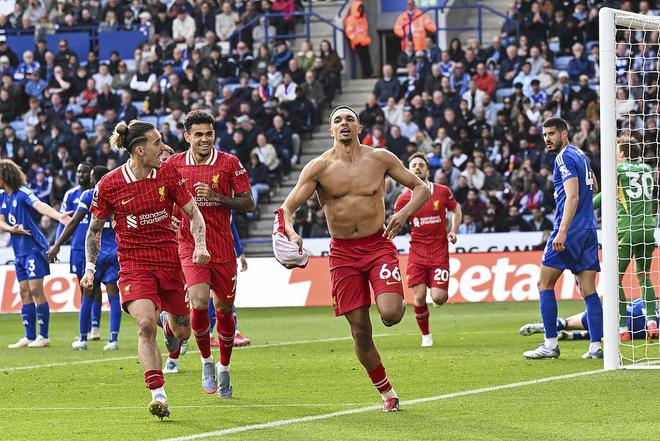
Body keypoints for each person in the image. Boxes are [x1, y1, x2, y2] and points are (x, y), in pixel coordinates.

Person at [278, 106, 431, 412]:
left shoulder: (380, 158)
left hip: (378, 245)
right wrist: (290, 232)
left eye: (350, 119)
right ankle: (387, 392)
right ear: (331, 131)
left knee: (391, 314)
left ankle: (395, 299)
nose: (344, 123)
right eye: (338, 120)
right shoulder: (318, 168)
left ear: (360, 127)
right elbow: (287, 208)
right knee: (360, 332)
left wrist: (403, 214)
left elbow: (422, 188)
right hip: (343, 254)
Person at [81, 120, 210, 419]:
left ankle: (169, 323)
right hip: (134, 265)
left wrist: (200, 245)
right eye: (157, 142)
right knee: (144, 325)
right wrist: (90, 268)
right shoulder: (109, 184)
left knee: (183, 330)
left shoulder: (168, 174)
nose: (164, 148)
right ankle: (158, 394)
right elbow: (94, 230)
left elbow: (194, 213)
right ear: (140, 150)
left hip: (169, 262)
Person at [167, 110, 254, 396]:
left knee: (225, 309)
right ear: (187, 137)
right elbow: (162, 198)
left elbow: (248, 203)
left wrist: (217, 197)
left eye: (209, 134)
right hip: (190, 245)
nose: (205, 139)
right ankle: (206, 361)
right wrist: (169, 219)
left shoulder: (229, 163)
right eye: (199, 135)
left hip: (222, 247)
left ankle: (224, 366)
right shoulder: (174, 164)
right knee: (199, 302)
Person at [523, 117, 602, 360]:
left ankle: (550, 344)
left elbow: (573, 196)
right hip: (589, 229)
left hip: (570, 230)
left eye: (552, 134)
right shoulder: (580, 154)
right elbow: (594, 185)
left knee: (544, 284)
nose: (547, 139)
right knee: (589, 290)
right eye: (545, 134)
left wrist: (563, 230)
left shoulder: (563, 157)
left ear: (564, 133)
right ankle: (596, 347)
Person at [49, 166, 122, 351]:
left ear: (94, 179)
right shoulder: (117, 194)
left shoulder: (89, 195)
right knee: (113, 296)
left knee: (87, 294)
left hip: (95, 253)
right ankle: (113, 340)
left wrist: (57, 244)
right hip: (113, 252)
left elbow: (74, 221)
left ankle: (83, 339)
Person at [394, 153, 462, 347]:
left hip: (439, 253)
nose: (417, 168)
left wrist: (453, 231)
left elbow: (456, 210)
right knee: (419, 296)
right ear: (408, 171)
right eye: (413, 165)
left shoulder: (442, 191)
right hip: (417, 254)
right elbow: (396, 221)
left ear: (428, 170)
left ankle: (437, 298)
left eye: (421, 165)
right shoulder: (404, 198)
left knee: (439, 298)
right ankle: (426, 335)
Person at [0, 160, 70, 348]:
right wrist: (12, 229)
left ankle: (43, 336)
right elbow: (1, 221)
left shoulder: (23, 193)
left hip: (34, 249)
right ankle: (29, 336)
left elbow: (39, 205)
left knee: (36, 290)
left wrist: (59, 216)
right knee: (24, 291)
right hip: (19, 252)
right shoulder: (2, 196)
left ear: (5, 176)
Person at [593, 136, 657, 340]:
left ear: (621, 153)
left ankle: (621, 328)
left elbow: (605, 196)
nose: (614, 154)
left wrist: (583, 208)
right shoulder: (647, 169)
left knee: (614, 279)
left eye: (616, 151)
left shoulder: (619, 170)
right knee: (644, 275)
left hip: (627, 229)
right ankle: (652, 321)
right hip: (648, 228)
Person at [54, 163, 102, 339]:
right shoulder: (70, 194)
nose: (81, 174)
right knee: (83, 286)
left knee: (95, 286)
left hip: (93, 246)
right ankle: (87, 328)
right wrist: (58, 243)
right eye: (78, 171)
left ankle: (95, 327)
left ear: (91, 174)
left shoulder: (96, 194)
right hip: (77, 247)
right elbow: (64, 221)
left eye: (84, 171)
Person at [519, 299, 656, 342]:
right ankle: (570, 335)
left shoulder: (645, 302)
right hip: (628, 329)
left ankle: (555, 326)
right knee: (602, 332)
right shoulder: (655, 324)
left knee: (568, 323)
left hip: (618, 314)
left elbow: (626, 303)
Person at [344, 0, 373, 79]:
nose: (361, 10)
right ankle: (365, 74)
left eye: (362, 8)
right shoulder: (350, 19)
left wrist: (365, 39)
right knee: (362, 59)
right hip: (358, 43)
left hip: (365, 41)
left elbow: (365, 30)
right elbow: (349, 32)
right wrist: (358, 39)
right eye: (359, 8)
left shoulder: (363, 18)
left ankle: (369, 73)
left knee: (367, 58)